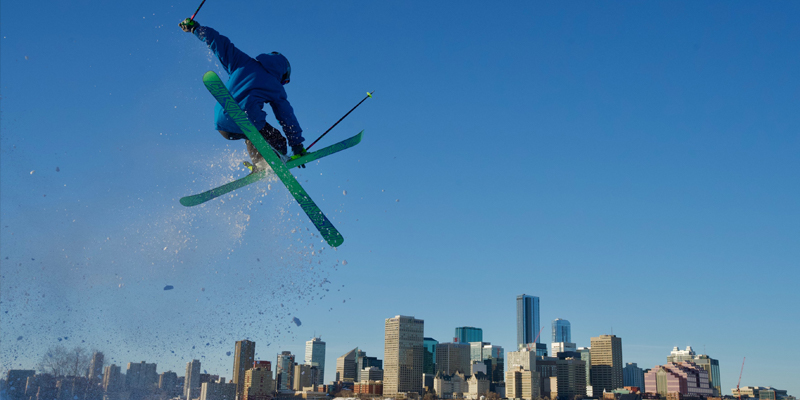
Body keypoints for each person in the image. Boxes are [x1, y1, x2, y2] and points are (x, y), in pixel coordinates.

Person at [180, 18, 306, 170]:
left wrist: (196, 29)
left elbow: (219, 43)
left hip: (222, 123)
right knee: (275, 138)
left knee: (252, 135)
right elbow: (286, 116)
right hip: (248, 119)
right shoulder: (275, 86)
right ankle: (270, 160)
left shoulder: (242, 61)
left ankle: (259, 162)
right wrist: (297, 144)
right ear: (282, 74)